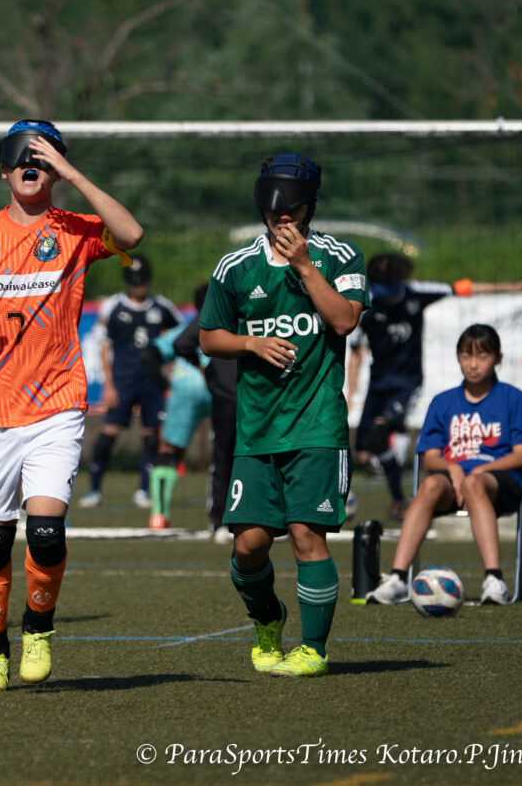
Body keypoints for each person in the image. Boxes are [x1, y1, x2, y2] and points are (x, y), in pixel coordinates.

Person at [0, 120, 143, 692]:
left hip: (57, 403)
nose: (31, 166)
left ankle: (39, 629)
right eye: (21, 157)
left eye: (43, 158)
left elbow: (132, 233)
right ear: (4, 169)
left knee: (46, 532)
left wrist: (72, 173)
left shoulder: (75, 229)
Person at [198, 152, 367, 679]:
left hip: (317, 424)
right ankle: (268, 619)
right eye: (273, 207)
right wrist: (251, 343)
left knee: (305, 535)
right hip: (257, 430)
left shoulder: (340, 256)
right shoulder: (234, 267)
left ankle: (312, 649)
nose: (281, 216)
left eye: (291, 206)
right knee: (248, 547)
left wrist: (304, 267)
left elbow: (344, 321)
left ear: (310, 205)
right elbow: (209, 338)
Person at [345, 253, 522, 522]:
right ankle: (394, 456)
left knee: (380, 429)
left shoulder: (415, 292)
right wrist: (352, 389)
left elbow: (462, 288)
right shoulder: (365, 303)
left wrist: (511, 287)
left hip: (407, 383)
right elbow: (356, 350)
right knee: (364, 451)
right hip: (378, 384)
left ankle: (399, 500)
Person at [366, 323, 522, 606]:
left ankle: (494, 579)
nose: (473, 364)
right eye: (466, 356)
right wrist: (453, 467)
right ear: (458, 357)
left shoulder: (512, 398)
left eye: (482, 356)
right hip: (453, 483)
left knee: (474, 483)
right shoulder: (443, 402)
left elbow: (521, 456)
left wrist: (479, 471)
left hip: (500, 483)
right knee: (430, 484)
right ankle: (398, 579)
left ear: (498, 358)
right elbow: (430, 458)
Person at [80, 255, 180, 510]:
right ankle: (94, 490)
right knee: (108, 434)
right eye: (134, 281)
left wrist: (169, 368)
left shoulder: (162, 306)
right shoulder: (113, 307)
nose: (138, 286)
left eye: (142, 280)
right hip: (123, 380)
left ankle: (144, 491)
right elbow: (105, 346)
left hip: (152, 383)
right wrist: (109, 384)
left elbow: (178, 335)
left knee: (151, 436)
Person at [142, 284, 212, 530]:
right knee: (233, 450)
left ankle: (159, 515)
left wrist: (165, 386)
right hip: (221, 386)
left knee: (169, 450)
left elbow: (148, 355)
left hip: (185, 386)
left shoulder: (185, 330)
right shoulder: (231, 326)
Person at [172, 284, 238, 538]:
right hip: (258, 393)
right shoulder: (255, 301)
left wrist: (206, 367)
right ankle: (268, 519)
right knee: (263, 457)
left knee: (223, 457)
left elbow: (181, 344)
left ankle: (219, 520)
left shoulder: (215, 309)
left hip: (226, 395)